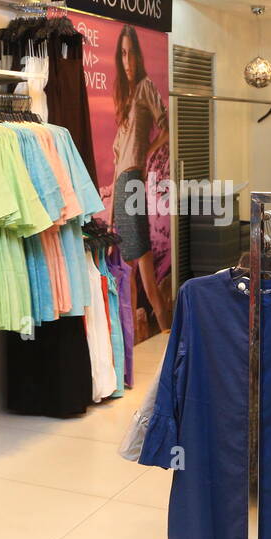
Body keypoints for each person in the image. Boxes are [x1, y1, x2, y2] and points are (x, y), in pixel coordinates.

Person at [110, 25, 171, 331]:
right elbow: (117, 155)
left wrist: (148, 154)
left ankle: (165, 332)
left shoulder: (145, 86)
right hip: (122, 185)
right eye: (122, 54)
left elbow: (167, 126)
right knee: (129, 267)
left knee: (141, 264)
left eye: (130, 52)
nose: (127, 60)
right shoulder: (126, 96)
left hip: (133, 180)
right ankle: (139, 335)